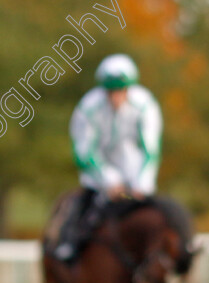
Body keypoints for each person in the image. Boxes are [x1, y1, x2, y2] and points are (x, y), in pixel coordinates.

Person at [54, 53, 163, 262]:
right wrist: (109, 180)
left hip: (134, 171)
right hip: (99, 172)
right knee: (81, 209)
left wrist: (141, 183)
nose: (116, 97)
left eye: (120, 90)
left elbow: (151, 149)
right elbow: (84, 152)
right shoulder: (88, 108)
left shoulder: (146, 105)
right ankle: (68, 245)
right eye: (111, 91)